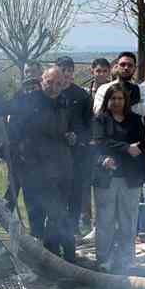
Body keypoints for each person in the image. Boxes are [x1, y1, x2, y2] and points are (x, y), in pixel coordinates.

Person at [10, 65, 78, 262]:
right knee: (39, 214)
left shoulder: (65, 103)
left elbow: (71, 129)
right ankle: (49, 256)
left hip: (62, 167)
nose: (53, 87)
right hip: (35, 169)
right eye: (49, 82)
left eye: (58, 84)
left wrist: (72, 136)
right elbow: (14, 135)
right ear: (42, 81)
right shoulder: (27, 102)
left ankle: (54, 253)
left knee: (59, 214)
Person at [89, 81, 145, 271]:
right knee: (105, 220)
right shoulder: (100, 120)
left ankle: (126, 260)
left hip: (130, 177)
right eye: (113, 98)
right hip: (107, 176)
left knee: (128, 220)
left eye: (120, 98)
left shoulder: (135, 120)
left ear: (126, 100)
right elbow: (99, 142)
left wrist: (132, 149)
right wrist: (126, 148)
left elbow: (142, 143)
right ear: (107, 100)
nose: (116, 102)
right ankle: (103, 260)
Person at [56, 57, 94, 236]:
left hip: (77, 152)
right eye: (62, 70)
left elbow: (90, 125)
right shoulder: (50, 93)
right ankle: (56, 227)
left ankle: (73, 228)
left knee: (76, 191)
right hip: (53, 153)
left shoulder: (82, 96)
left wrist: (78, 137)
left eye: (69, 71)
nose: (66, 74)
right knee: (56, 192)